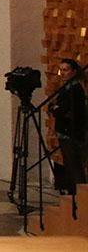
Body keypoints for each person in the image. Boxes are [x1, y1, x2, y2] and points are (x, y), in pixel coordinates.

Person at [49, 58, 87, 194]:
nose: (63, 73)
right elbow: (53, 106)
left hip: (72, 134)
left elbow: (65, 110)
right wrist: (55, 108)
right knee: (69, 166)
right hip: (64, 132)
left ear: (74, 72)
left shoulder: (75, 89)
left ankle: (80, 197)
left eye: (66, 70)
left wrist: (56, 108)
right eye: (61, 70)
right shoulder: (66, 88)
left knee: (75, 167)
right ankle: (73, 197)